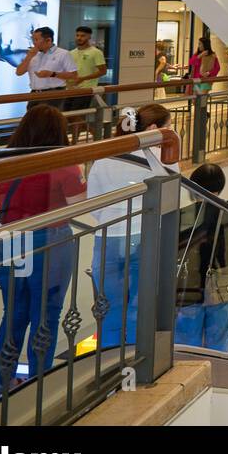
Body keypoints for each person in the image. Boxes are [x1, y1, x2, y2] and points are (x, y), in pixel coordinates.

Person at [0, 105, 85, 385]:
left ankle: (2, 383)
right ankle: (38, 384)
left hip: (10, 241)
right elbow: (78, 206)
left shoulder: (5, 160)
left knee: (14, 315)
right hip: (50, 242)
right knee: (46, 315)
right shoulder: (63, 163)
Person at [86, 103, 177, 348]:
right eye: (169, 127)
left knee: (109, 308)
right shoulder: (162, 159)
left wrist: (110, 218)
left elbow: (92, 201)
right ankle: (138, 361)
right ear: (154, 128)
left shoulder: (104, 157)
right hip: (146, 236)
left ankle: (109, 366)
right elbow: (171, 199)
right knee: (141, 306)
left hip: (107, 238)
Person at [176, 164, 228, 353]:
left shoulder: (184, 215)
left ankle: (189, 377)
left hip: (189, 288)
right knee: (220, 341)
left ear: (193, 186)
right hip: (224, 287)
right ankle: (217, 377)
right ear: (221, 186)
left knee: (186, 343)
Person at [64, 26, 106, 134]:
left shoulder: (96, 52)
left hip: (86, 89)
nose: (79, 38)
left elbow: (102, 71)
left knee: (75, 116)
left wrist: (83, 79)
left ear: (89, 37)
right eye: (77, 35)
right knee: (67, 116)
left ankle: (76, 141)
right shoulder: (71, 53)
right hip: (70, 89)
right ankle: (95, 134)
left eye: (82, 36)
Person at [15, 26, 77, 100]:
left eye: (36, 40)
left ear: (48, 40)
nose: (34, 43)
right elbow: (19, 72)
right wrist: (29, 57)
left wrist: (52, 74)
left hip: (54, 94)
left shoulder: (63, 53)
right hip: (34, 93)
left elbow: (74, 75)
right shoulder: (32, 54)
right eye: (33, 40)